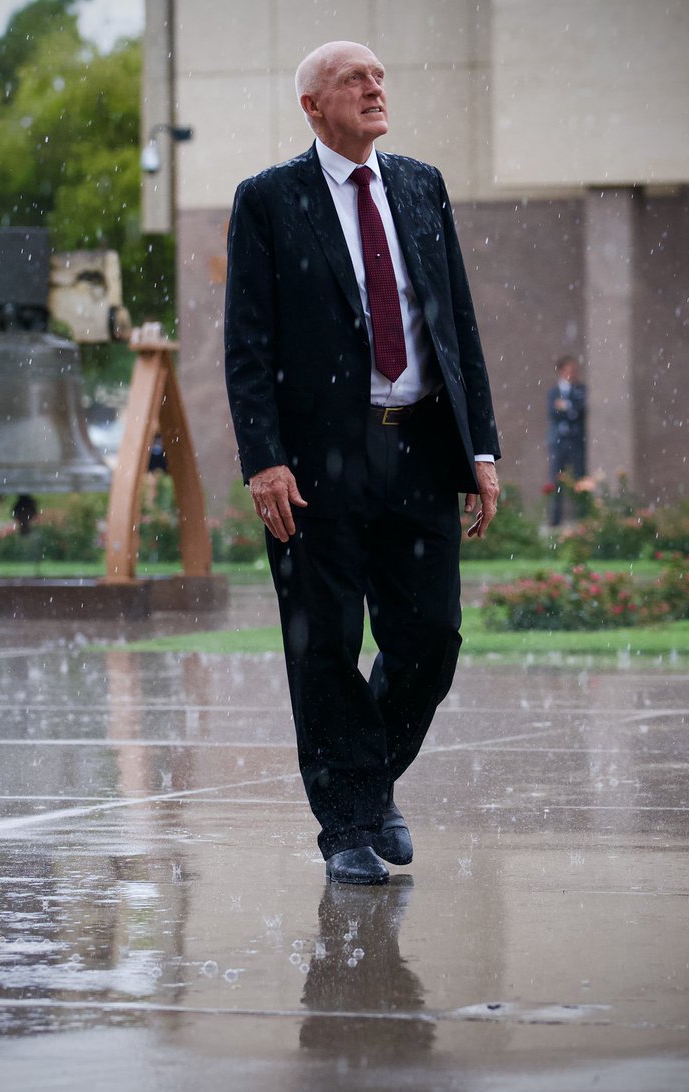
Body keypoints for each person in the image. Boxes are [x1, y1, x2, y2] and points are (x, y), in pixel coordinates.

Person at [224, 40, 501, 885]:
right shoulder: (270, 200)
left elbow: (456, 321)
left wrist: (480, 446)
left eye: (381, 75)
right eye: (355, 79)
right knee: (326, 645)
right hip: (318, 462)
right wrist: (264, 459)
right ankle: (347, 825)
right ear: (313, 104)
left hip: (418, 446)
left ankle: (367, 777)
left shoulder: (421, 185)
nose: (375, 87)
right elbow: (248, 341)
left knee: (432, 638)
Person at [546, 355, 587, 526]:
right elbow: (552, 413)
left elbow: (580, 411)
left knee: (579, 479)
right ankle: (555, 519)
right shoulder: (554, 392)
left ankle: (584, 518)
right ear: (561, 371)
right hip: (558, 442)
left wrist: (567, 407)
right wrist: (569, 410)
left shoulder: (580, 390)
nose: (572, 373)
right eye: (569, 369)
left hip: (576, 441)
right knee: (557, 479)